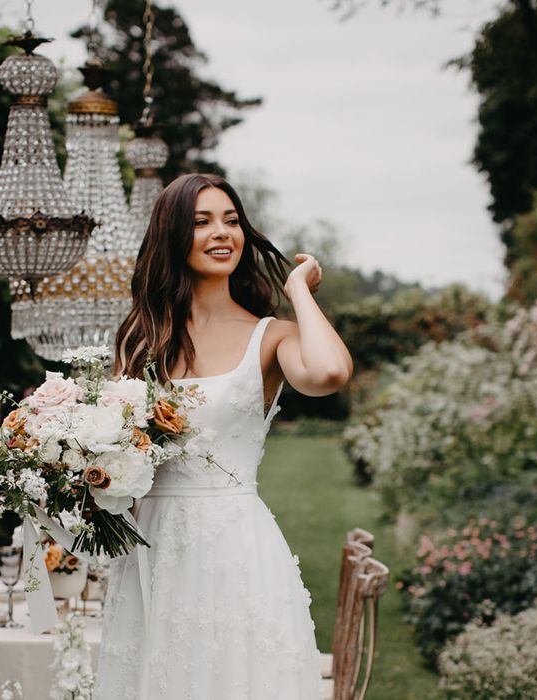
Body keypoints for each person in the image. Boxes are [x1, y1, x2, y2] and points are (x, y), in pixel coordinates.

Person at [94, 173, 353, 699]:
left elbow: (328, 374)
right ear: (172, 236)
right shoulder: (141, 339)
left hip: (235, 549)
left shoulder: (271, 336)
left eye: (232, 221)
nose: (222, 233)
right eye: (202, 221)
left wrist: (298, 291)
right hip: (150, 552)